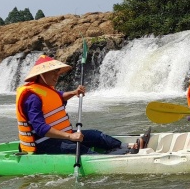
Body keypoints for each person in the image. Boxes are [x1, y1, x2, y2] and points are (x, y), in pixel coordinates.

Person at [15, 54, 147, 154]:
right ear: (41, 75)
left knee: (96, 135)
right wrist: (70, 136)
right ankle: (115, 157)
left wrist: (74, 92)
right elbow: (40, 128)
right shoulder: (32, 97)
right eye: (53, 73)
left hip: (63, 135)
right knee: (80, 149)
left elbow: (60, 97)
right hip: (44, 143)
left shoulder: (47, 90)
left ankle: (126, 147)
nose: (56, 76)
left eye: (57, 73)